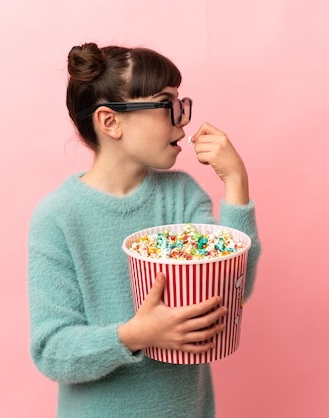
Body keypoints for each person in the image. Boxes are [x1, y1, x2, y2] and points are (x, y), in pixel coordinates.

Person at [27, 42, 261, 418]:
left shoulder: (182, 196)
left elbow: (232, 294)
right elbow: (51, 351)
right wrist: (135, 334)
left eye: (182, 105)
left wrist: (236, 183)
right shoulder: (58, 217)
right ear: (111, 121)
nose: (182, 120)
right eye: (167, 104)